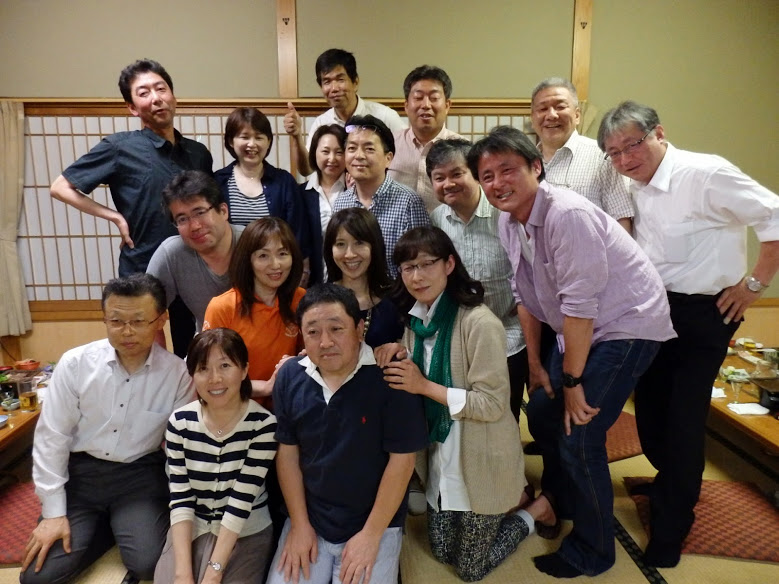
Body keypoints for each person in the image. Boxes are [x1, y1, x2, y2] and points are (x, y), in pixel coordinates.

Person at [468, 126, 675, 578]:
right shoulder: (509, 221)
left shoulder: (567, 215)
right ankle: (556, 499)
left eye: (508, 170)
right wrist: (536, 365)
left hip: (627, 325)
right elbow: (525, 297)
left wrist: (573, 381)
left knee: (581, 435)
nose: (498, 183)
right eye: (487, 176)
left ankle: (593, 549)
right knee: (544, 412)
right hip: (579, 330)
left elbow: (581, 307)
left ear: (535, 167)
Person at [597, 101, 779, 568]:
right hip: (652, 310)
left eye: (632, 146)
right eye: (613, 152)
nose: (624, 160)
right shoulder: (629, 185)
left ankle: (672, 526)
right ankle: (672, 483)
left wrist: (754, 285)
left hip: (704, 313)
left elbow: (775, 216)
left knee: (682, 418)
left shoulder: (706, 173)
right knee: (650, 411)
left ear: (659, 133)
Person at [378, 226, 551, 582]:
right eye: (408, 268)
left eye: (427, 264)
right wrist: (398, 350)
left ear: (449, 264)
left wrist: (424, 386)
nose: (417, 276)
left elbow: (491, 405)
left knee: (470, 569)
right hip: (439, 455)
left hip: (480, 455)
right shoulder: (415, 321)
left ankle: (537, 510)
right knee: (441, 550)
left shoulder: (479, 322)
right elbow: (418, 361)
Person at [21, 274, 194, 584]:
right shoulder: (75, 364)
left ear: (160, 320)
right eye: (116, 321)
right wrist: (53, 514)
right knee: (38, 578)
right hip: (82, 475)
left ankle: (116, 526)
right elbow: (51, 439)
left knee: (148, 565)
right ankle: (104, 526)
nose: (127, 331)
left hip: (139, 476)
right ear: (104, 319)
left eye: (138, 321)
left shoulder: (178, 374)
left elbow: (177, 447)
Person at [49, 59, 213, 358]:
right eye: (144, 93)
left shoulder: (198, 153)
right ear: (132, 108)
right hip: (142, 262)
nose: (156, 98)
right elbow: (60, 187)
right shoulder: (120, 147)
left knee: (194, 347)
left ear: (173, 96)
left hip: (191, 263)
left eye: (161, 89)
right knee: (145, 348)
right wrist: (113, 216)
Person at [267, 284, 428, 584]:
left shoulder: (392, 376)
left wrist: (371, 535)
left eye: (336, 329)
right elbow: (287, 454)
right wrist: (299, 525)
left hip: (374, 522)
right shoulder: (291, 376)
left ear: (358, 329)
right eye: (313, 332)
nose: (325, 342)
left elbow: (403, 461)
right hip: (310, 518)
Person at [153, 328, 277, 584]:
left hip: (246, 530)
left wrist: (214, 571)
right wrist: (182, 573)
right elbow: (181, 499)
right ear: (192, 375)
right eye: (203, 369)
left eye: (225, 366)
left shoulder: (263, 424)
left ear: (244, 370)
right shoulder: (180, 423)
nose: (215, 379)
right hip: (193, 526)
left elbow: (241, 501)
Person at [427, 139, 527, 420]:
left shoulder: (505, 214)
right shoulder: (436, 221)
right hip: (460, 337)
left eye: (456, 174)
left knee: (505, 415)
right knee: (466, 414)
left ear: (474, 174)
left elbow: (529, 270)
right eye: (439, 177)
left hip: (509, 333)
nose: (448, 184)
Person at [203, 217, 305, 403]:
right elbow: (210, 375)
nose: (275, 264)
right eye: (263, 256)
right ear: (247, 260)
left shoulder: (301, 299)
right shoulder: (222, 307)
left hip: (288, 407)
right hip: (236, 408)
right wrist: (266, 387)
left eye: (283, 253)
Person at [214, 107, 309, 282]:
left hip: (276, 274)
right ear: (230, 141)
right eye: (244, 137)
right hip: (231, 273)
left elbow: (298, 233)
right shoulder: (218, 182)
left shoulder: (284, 181)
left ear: (269, 141)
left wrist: (301, 274)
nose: (252, 144)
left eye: (259, 137)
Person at [530, 77, 633, 232]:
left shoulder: (602, 156)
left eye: (560, 107)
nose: (551, 115)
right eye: (543, 109)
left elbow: (621, 219)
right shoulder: (526, 163)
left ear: (577, 115)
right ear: (532, 118)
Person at [332, 115, 430, 277]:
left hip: (397, 292)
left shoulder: (409, 202)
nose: (359, 156)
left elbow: (422, 263)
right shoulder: (341, 202)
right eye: (352, 148)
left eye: (369, 149)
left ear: (388, 159)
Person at [147, 170, 243, 335]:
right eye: (182, 219)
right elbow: (146, 313)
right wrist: (159, 352)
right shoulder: (172, 253)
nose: (195, 226)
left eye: (200, 212)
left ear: (223, 211)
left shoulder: (254, 244)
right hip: (208, 344)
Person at [284, 48, 406, 176]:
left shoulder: (385, 116)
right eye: (327, 82)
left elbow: (406, 156)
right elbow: (307, 169)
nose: (334, 88)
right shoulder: (322, 122)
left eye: (340, 80)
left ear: (355, 82)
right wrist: (296, 136)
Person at [324, 207, 404, 348]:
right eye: (340, 244)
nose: (350, 254)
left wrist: (402, 349)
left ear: (374, 246)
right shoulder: (320, 300)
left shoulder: (396, 298)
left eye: (359, 243)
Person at [388, 65, 463, 212]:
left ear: (447, 105)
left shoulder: (463, 149)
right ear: (406, 106)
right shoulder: (388, 144)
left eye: (434, 98)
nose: (426, 105)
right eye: (418, 98)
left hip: (448, 226)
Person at [300, 124, 348, 285]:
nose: (332, 159)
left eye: (339, 152)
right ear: (314, 153)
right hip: (311, 282)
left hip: (348, 281)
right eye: (325, 152)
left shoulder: (356, 191)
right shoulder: (301, 194)